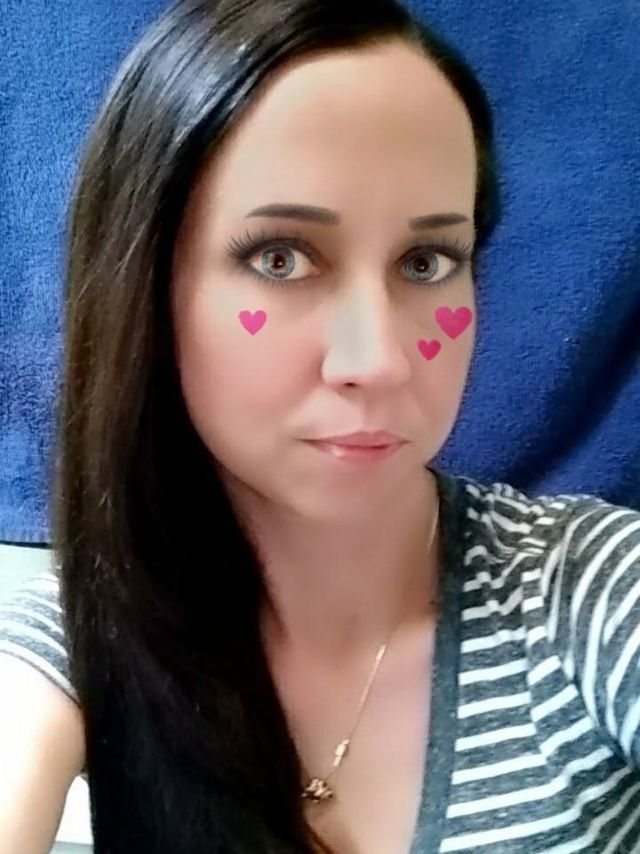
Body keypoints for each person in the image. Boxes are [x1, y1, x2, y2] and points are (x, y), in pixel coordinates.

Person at [1, 0, 640, 852]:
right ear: (145, 290)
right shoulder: (79, 635)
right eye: (281, 258)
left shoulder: (589, 590)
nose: (377, 361)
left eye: (427, 261)